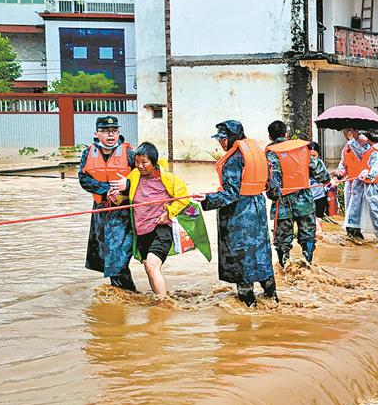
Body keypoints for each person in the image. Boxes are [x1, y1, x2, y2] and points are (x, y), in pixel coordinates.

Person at [193, 120, 276, 307]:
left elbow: (231, 193)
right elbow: (271, 183)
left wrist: (206, 200)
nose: (221, 143)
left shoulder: (233, 160)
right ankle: (272, 299)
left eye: (223, 138)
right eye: (218, 139)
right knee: (261, 255)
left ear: (232, 137)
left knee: (241, 260)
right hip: (258, 211)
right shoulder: (257, 152)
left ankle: (247, 306)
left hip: (240, 216)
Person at [118, 142, 210, 299]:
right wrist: (115, 196)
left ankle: (163, 305)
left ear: (154, 162)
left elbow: (183, 200)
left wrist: (168, 214)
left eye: (144, 162)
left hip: (160, 229)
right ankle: (160, 298)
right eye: (137, 162)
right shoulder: (133, 176)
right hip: (141, 230)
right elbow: (124, 197)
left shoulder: (168, 179)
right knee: (148, 266)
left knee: (152, 265)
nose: (139, 166)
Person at [78, 116, 136, 292]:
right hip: (101, 210)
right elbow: (83, 178)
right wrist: (105, 189)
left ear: (118, 132)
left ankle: (126, 295)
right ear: (97, 133)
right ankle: (123, 295)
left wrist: (124, 187)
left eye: (114, 131)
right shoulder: (88, 153)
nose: (110, 135)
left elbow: (141, 177)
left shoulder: (130, 153)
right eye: (105, 131)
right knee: (104, 253)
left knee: (118, 253)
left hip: (122, 211)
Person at [265, 121, 330, 266]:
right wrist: (326, 180)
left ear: (270, 136)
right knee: (308, 236)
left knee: (282, 241)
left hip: (283, 203)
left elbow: (272, 179)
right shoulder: (301, 148)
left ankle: (284, 268)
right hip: (305, 201)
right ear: (286, 134)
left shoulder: (271, 153)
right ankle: (308, 263)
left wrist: (273, 196)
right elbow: (321, 174)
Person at [334, 128, 368, 240]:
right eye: (344, 132)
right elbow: (343, 164)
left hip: (363, 183)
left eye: (349, 132)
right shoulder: (346, 147)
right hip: (350, 183)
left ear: (357, 131)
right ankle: (351, 233)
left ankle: (358, 234)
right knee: (350, 210)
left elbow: (364, 156)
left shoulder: (365, 144)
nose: (346, 134)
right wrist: (339, 173)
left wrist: (352, 141)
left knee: (360, 211)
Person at [308, 141, 331, 221]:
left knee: (318, 220)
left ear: (318, 155)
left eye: (314, 155)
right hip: (307, 198)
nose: (312, 158)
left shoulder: (320, 163)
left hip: (319, 196)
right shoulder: (302, 164)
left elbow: (326, 178)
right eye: (309, 155)